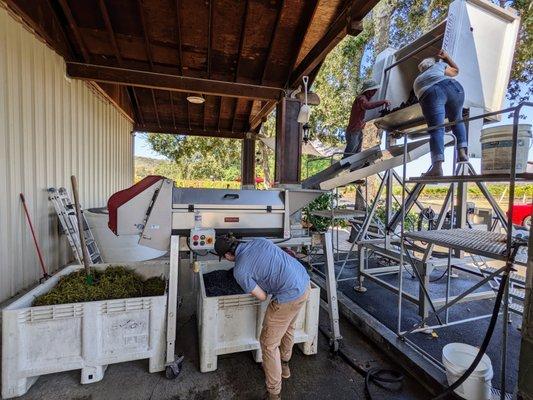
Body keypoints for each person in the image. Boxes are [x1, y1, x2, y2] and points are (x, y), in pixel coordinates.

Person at [214, 236, 310, 400]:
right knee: (288, 327)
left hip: (288, 296)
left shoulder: (240, 271)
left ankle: (274, 393)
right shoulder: (260, 240)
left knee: (268, 344)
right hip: (303, 282)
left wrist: (254, 283)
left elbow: (262, 296)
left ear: (228, 256)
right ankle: (285, 365)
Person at [413, 49, 468, 177]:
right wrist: (447, 57)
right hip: (454, 87)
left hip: (432, 93)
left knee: (437, 129)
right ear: (432, 64)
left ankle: (437, 167)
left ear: (422, 69)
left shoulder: (418, 80)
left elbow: (422, 101)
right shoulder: (439, 65)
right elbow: (456, 71)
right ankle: (462, 153)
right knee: (457, 120)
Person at [343, 79, 391, 158]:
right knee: (349, 155)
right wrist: (383, 102)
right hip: (353, 131)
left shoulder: (362, 98)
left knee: (356, 153)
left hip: (357, 130)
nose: (375, 93)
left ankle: (353, 168)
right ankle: (344, 167)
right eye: (374, 90)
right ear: (368, 91)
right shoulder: (361, 98)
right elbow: (367, 106)